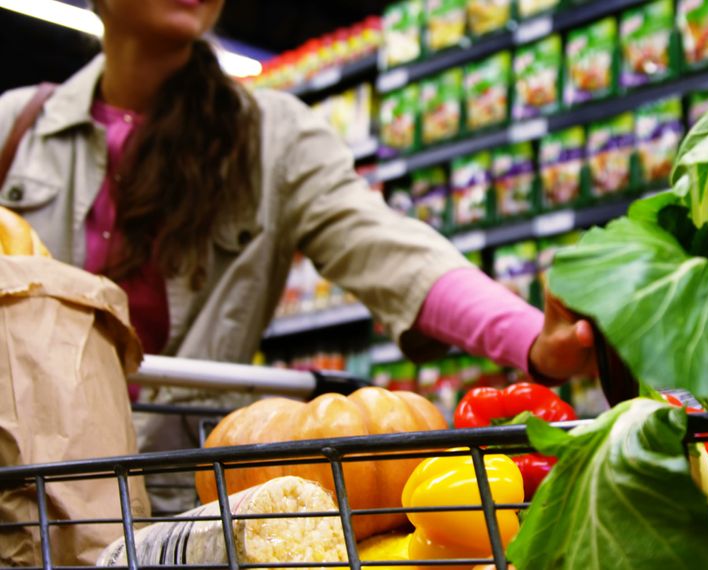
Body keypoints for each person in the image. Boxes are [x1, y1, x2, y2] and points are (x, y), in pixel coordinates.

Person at [0, 0, 594, 510]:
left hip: (186, 500)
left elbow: (384, 245)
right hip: (23, 491)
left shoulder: (271, 137)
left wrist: (533, 343)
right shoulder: (14, 128)